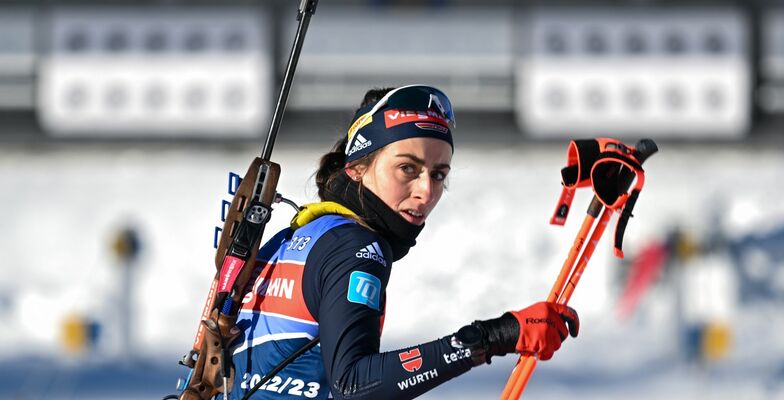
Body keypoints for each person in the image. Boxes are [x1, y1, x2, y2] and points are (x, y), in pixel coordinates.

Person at [228, 85, 579, 399]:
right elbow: (353, 385)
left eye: (438, 174)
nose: (426, 192)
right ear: (357, 168)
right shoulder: (356, 248)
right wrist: (493, 336)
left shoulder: (299, 235)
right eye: (407, 169)